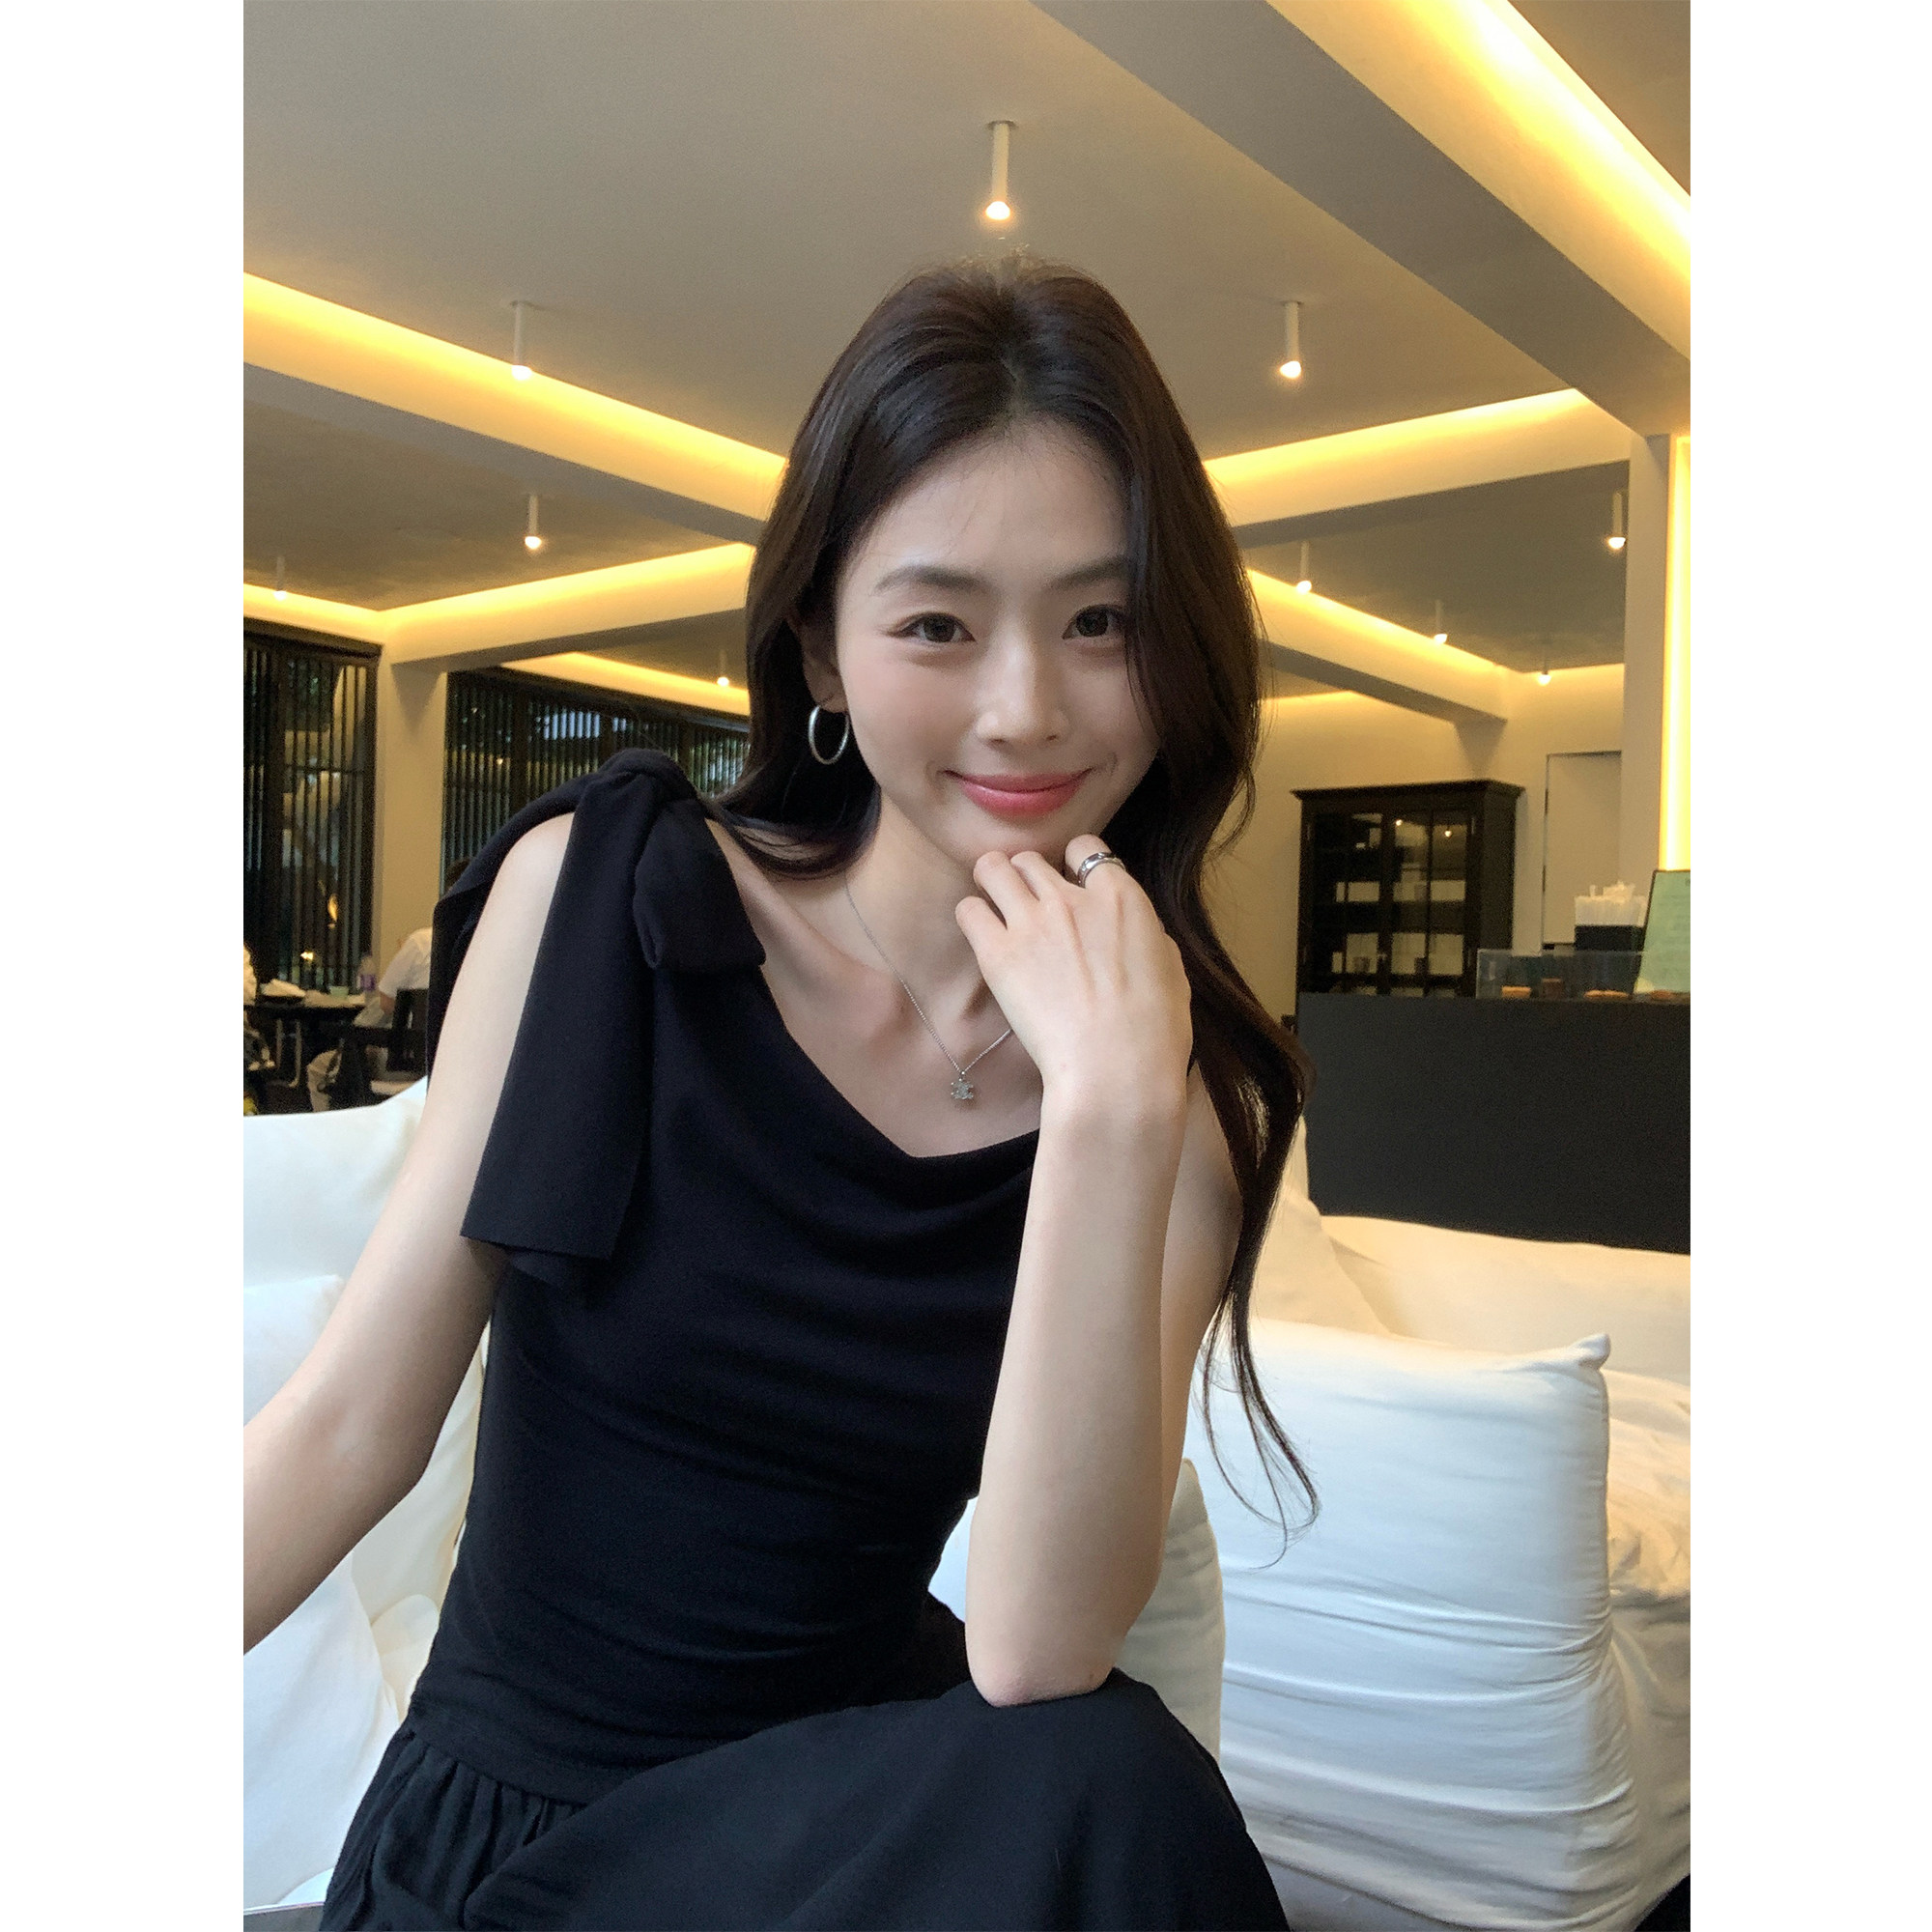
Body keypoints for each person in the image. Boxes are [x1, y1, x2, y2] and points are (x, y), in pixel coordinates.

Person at [245, 257, 1314, 1930]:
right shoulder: (600, 902)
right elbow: (350, 1425)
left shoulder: (1166, 1104)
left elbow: (1038, 1646)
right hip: (533, 1841)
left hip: (873, 1841)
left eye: (1100, 622)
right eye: (938, 624)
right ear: (819, 646)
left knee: (1110, 1776)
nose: (1026, 707)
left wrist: (1112, 1106)